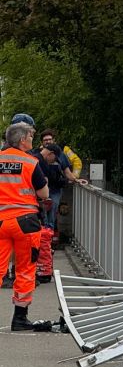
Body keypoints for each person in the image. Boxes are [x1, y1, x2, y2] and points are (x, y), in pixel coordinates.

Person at [0, 121, 50, 330]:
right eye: (30, 135)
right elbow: (44, 194)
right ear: (22, 140)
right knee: (25, 269)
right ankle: (19, 318)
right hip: (26, 222)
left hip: (1, 219)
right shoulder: (30, 162)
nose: (32, 139)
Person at [38, 143, 87, 230]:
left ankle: (48, 233)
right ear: (51, 153)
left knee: (52, 210)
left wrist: (76, 179)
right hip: (40, 192)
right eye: (54, 158)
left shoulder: (61, 154)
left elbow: (68, 171)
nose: (54, 161)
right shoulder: (36, 158)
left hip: (53, 189)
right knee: (43, 215)